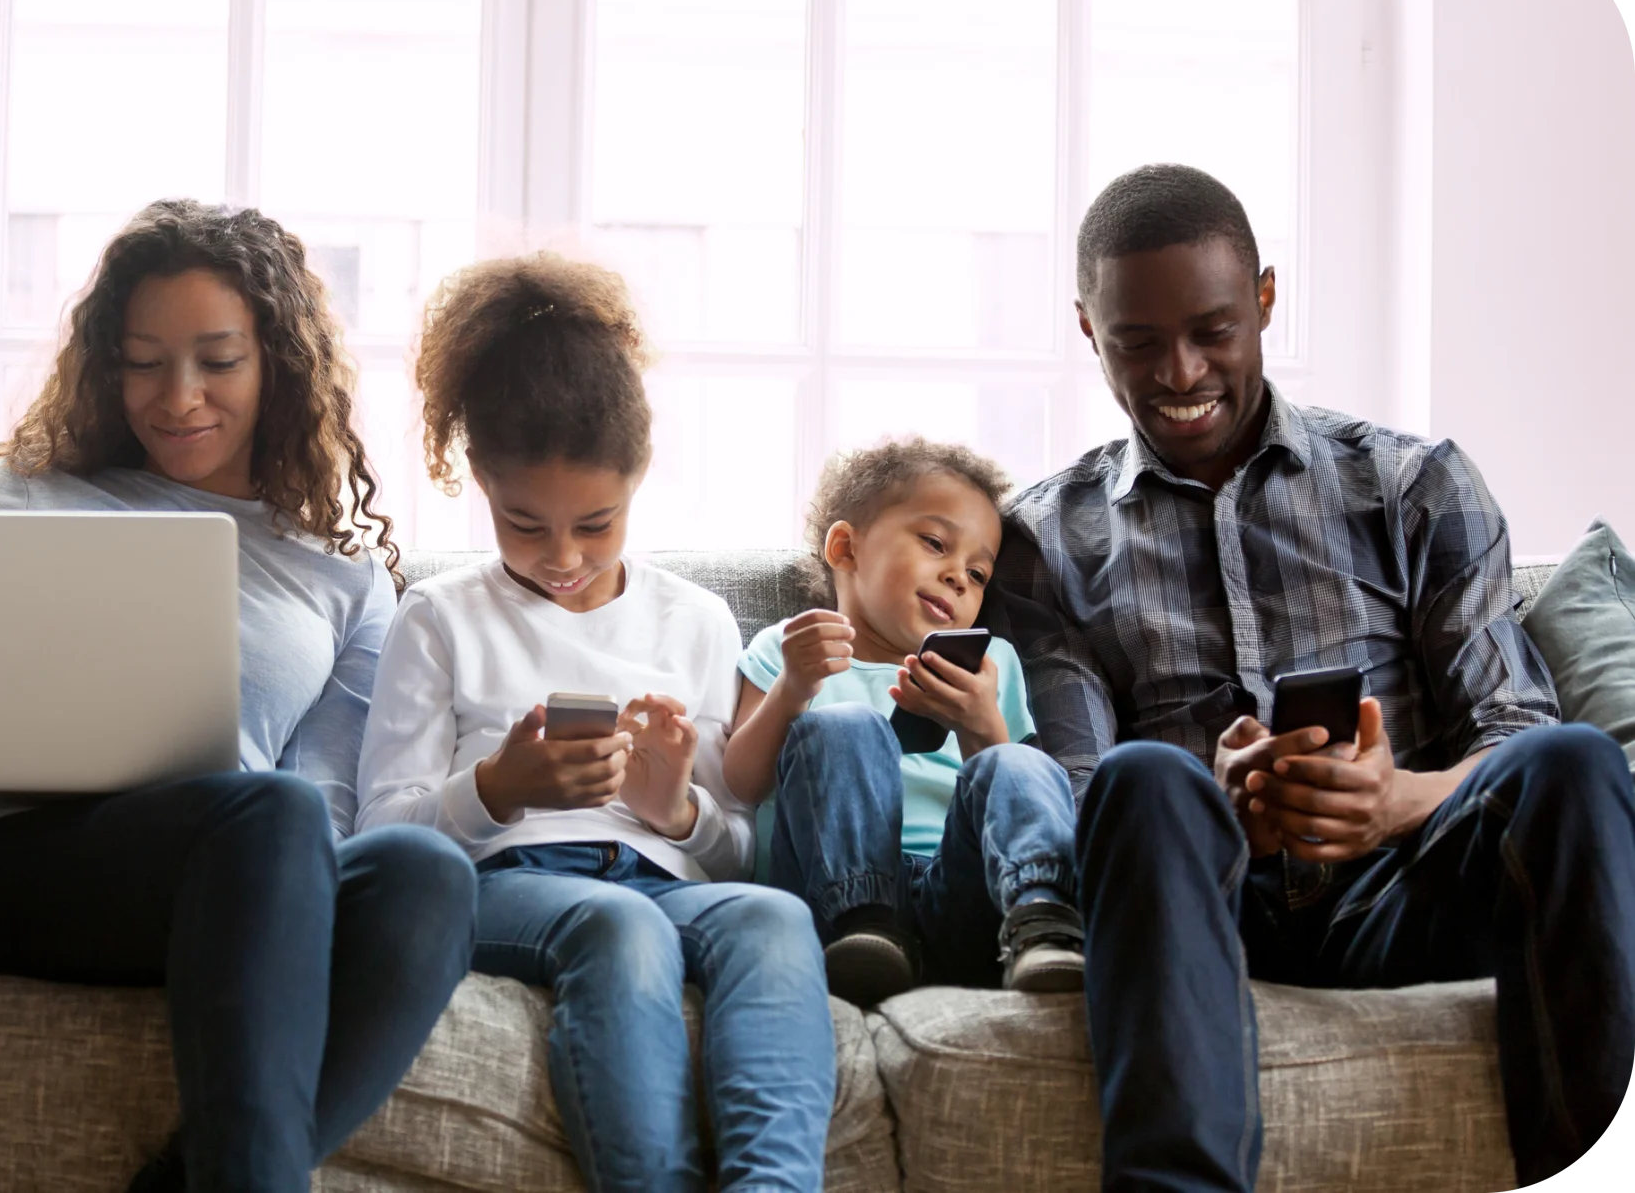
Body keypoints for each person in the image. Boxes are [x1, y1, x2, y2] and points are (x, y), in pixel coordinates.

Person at [0, 200, 478, 1193]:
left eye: (217, 360)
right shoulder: (29, 494)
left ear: (276, 363)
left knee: (423, 874)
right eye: (144, 359)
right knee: (266, 815)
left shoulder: (345, 575)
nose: (178, 396)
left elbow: (326, 802)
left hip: (224, 879)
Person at [986, 162, 1635, 1193]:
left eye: (1212, 330)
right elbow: (1076, 789)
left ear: (1265, 301)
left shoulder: (1414, 482)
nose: (1181, 373)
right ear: (1086, 330)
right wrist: (1218, 796)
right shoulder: (1040, 541)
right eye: (1137, 344)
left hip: (1405, 887)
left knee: (1576, 761)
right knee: (1148, 777)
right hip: (1207, 906)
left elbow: (1512, 728)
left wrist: (1394, 801)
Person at [355, 253, 836, 1193]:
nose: (564, 556)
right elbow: (382, 839)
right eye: (523, 524)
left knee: (774, 917)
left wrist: (676, 813)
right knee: (618, 927)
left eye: (597, 523)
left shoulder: (695, 619)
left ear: (639, 478)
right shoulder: (440, 616)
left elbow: (731, 849)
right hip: (508, 884)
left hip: (661, 880)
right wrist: (497, 789)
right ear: (480, 482)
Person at [721, 438, 1083, 1006]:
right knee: (845, 725)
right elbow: (741, 783)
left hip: (958, 897)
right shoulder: (787, 649)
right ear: (845, 548)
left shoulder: (995, 665)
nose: (959, 578)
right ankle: (867, 924)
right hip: (835, 909)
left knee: (1018, 761)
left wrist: (981, 726)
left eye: (979, 573)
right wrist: (795, 687)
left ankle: (1042, 919)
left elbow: (1020, 796)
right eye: (936, 544)